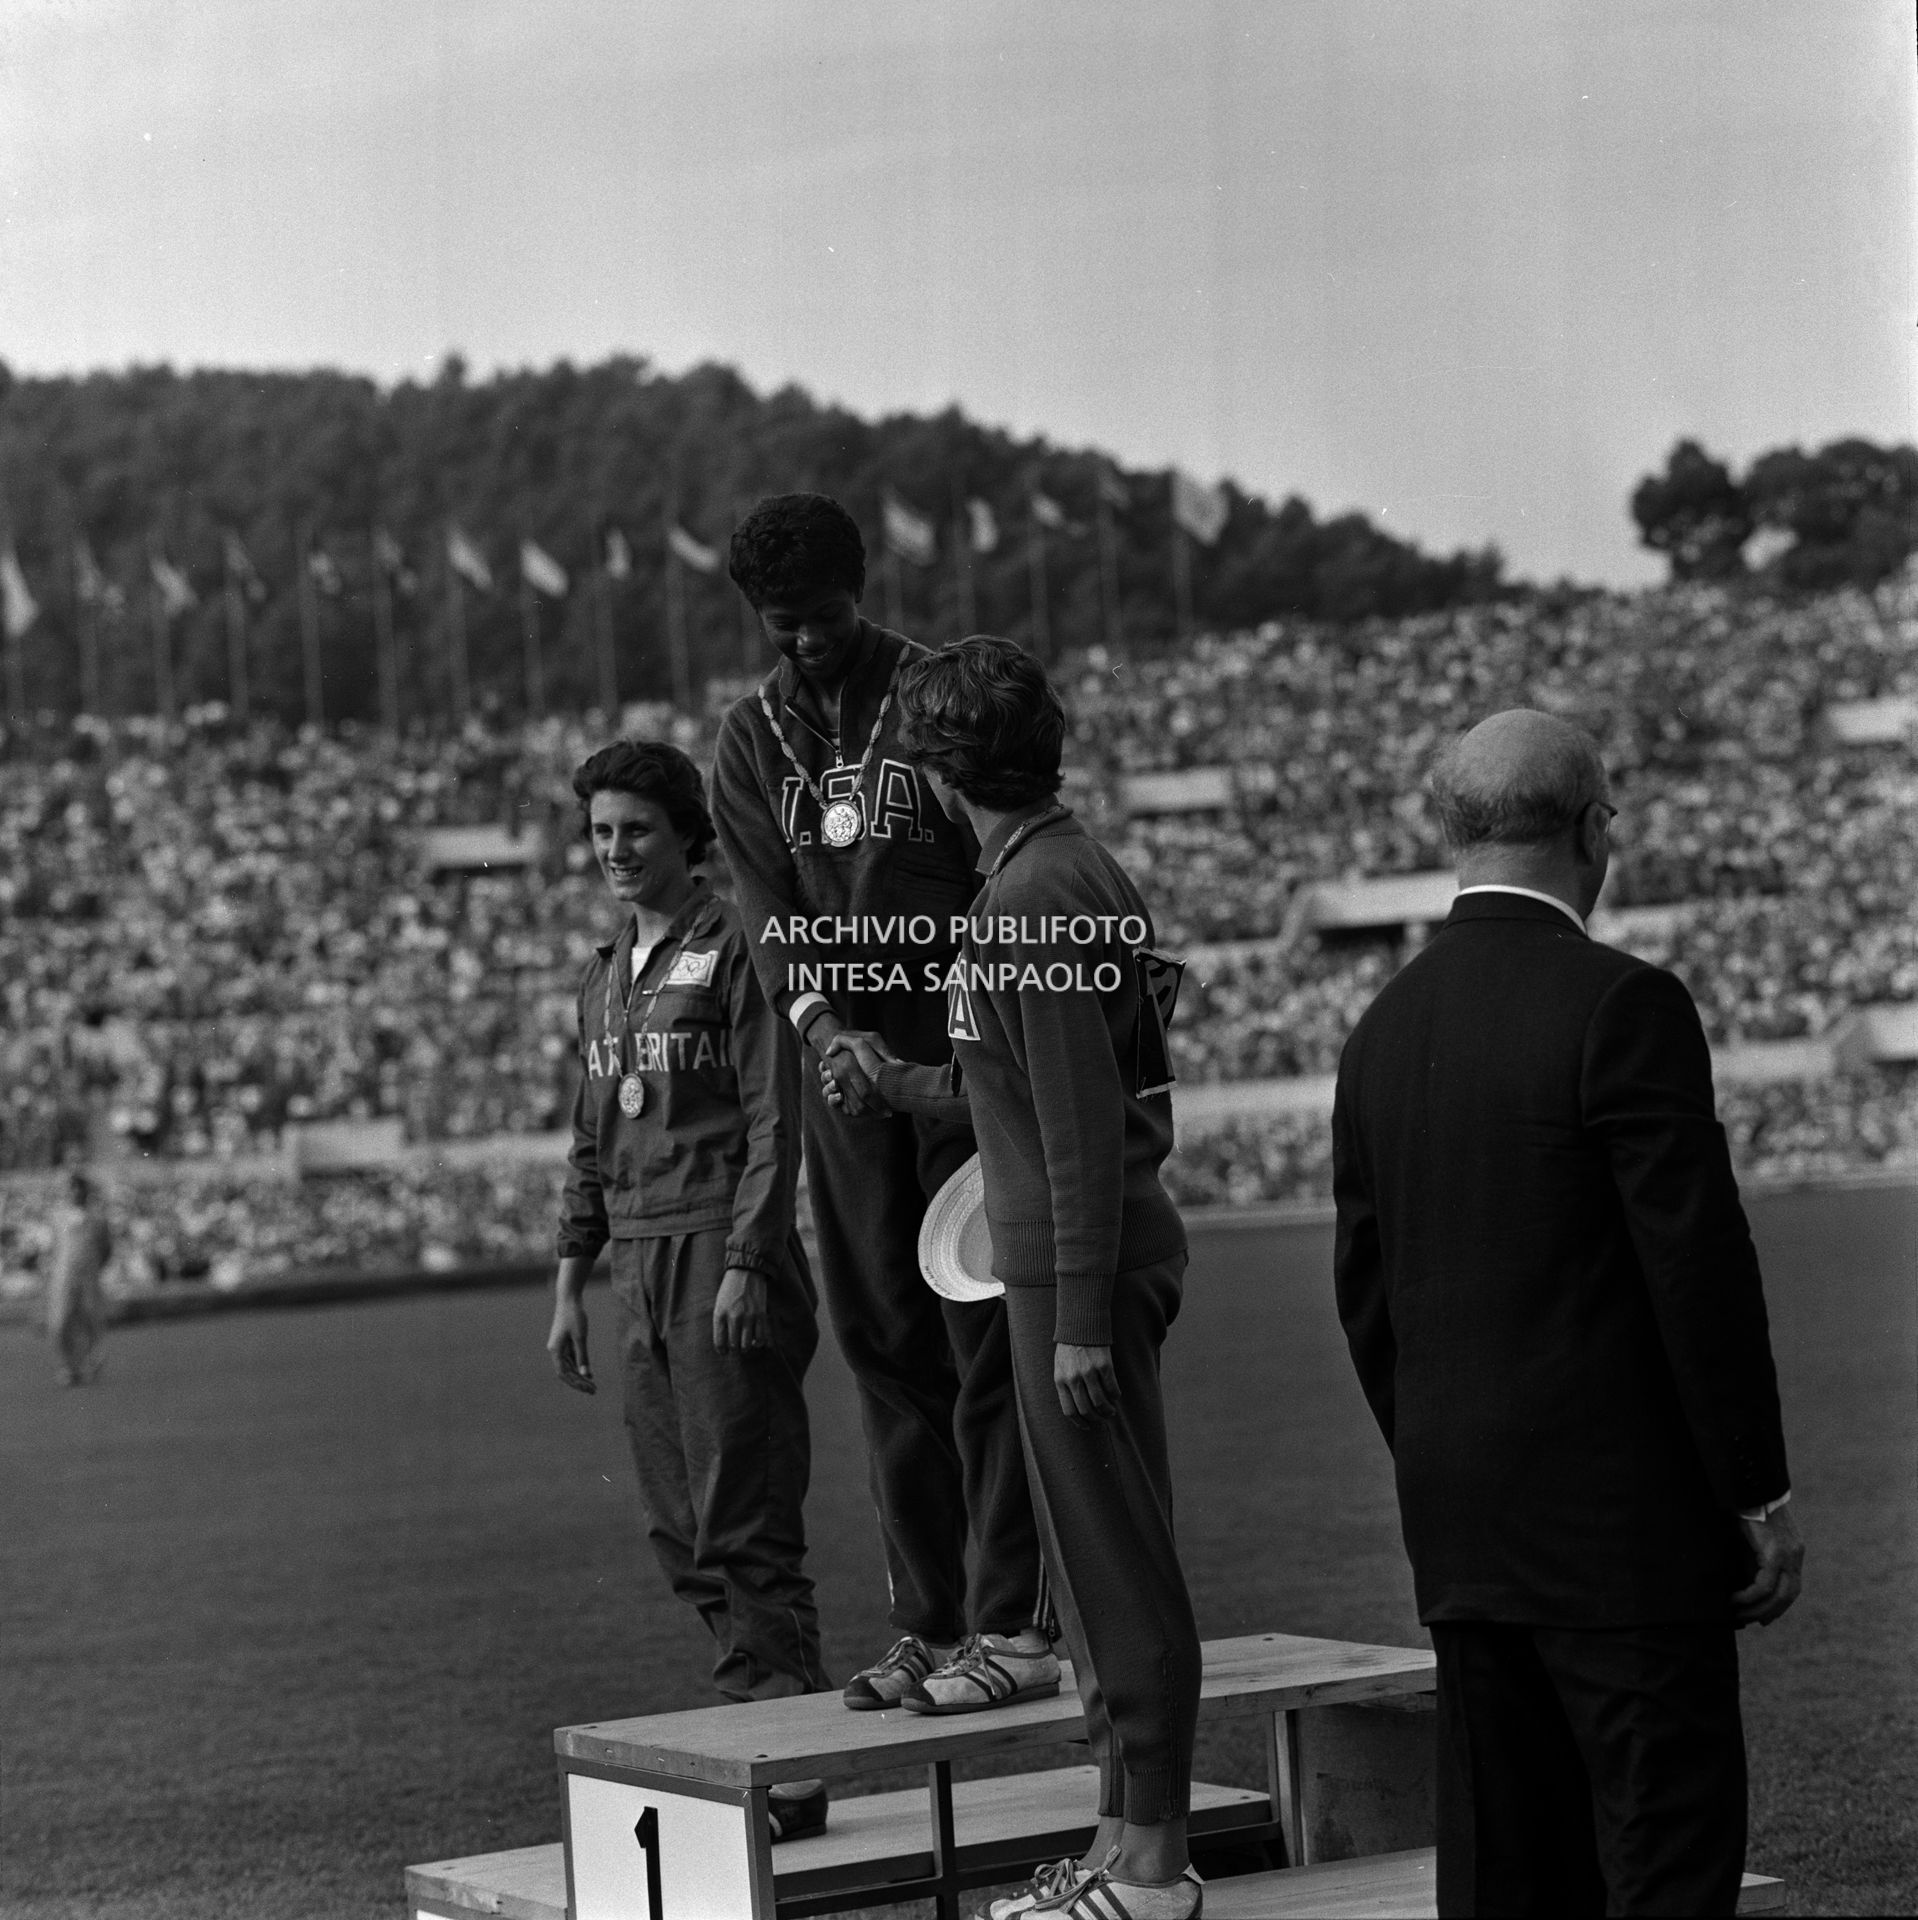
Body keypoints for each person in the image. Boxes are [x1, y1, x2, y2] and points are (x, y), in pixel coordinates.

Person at [1332, 709, 1805, 1918]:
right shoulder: (1623, 1005)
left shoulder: (1378, 1033)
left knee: (1503, 1875)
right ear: (1595, 829)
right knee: (1658, 1865)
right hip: (1623, 1543)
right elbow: (1697, 1270)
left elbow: (1366, 1298)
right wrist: (1752, 1490)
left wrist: (1448, 1456)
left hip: (1461, 1530)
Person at [827, 636, 1203, 1920]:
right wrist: (903, 1082)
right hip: (1066, 1258)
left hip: (1069, 1274)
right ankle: (1117, 1837)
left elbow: (1083, 1122)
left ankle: (1155, 1869)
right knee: (1099, 1578)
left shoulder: (1027, 898)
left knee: (1116, 1570)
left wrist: (1079, 1315)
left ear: (939, 775)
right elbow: (1031, 1084)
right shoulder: (1067, 867)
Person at [712, 495, 1050, 1715]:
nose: (802, 640)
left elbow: (994, 865)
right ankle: (929, 1622)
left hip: (957, 1067)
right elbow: (759, 905)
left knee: (983, 1346)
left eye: (821, 616)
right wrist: (817, 1026)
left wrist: (954, 1027)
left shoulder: (933, 700)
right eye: (780, 623)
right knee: (882, 1352)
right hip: (845, 1076)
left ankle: (1014, 1622)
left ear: (863, 592)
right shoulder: (748, 741)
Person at [546, 738, 829, 1842]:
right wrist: (570, 1283)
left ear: (684, 837)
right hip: (633, 1263)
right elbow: (587, 1140)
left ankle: (791, 1766)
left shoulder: (739, 943)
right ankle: (765, 1731)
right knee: (678, 1527)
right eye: (601, 832)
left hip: (722, 1250)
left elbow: (774, 1114)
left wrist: (753, 1257)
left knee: (744, 1518)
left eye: (636, 830)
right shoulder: (602, 971)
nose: (615, 850)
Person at [46, 1169, 111, 1386]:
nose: (74, 1192)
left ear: (85, 1190)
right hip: (63, 1277)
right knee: (60, 1322)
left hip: (88, 1277)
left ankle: (90, 1365)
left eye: (77, 1187)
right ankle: (67, 1366)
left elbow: (106, 1249)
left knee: (90, 1320)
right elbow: (52, 1248)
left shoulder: (98, 1218)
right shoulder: (56, 1216)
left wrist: (93, 1268)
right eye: (70, 1188)